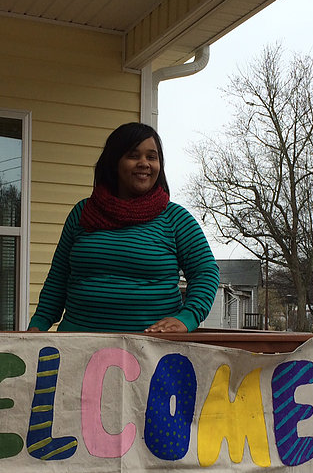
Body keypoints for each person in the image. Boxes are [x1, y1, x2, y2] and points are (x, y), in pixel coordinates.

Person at [28, 122, 219, 333]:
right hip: (78, 348)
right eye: (133, 155)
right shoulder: (83, 213)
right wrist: (37, 327)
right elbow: (58, 278)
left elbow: (205, 272)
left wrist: (188, 317)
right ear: (114, 162)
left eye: (152, 157)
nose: (144, 163)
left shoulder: (175, 218)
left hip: (152, 352)